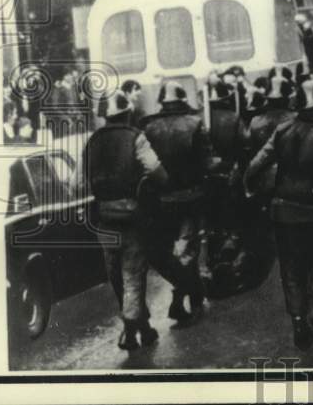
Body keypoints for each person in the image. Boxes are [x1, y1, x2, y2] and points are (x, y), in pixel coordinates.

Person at [243, 73, 313, 350]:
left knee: (291, 268)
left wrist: (248, 184)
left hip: (284, 210)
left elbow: (257, 163)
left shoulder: (281, 132)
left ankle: (297, 320)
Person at [76, 90, 168, 350]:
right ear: (127, 113)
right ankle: (130, 331)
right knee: (133, 274)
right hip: (132, 217)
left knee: (116, 275)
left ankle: (145, 327)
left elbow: (76, 184)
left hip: (103, 219)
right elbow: (158, 172)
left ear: (104, 117)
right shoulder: (136, 138)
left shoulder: (91, 143)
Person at [141, 81, 213, 323]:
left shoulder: (149, 128)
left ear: (162, 102)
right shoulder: (195, 124)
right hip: (191, 197)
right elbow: (206, 163)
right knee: (189, 248)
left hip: (161, 200)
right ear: (183, 100)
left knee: (168, 253)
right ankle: (186, 297)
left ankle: (188, 294)